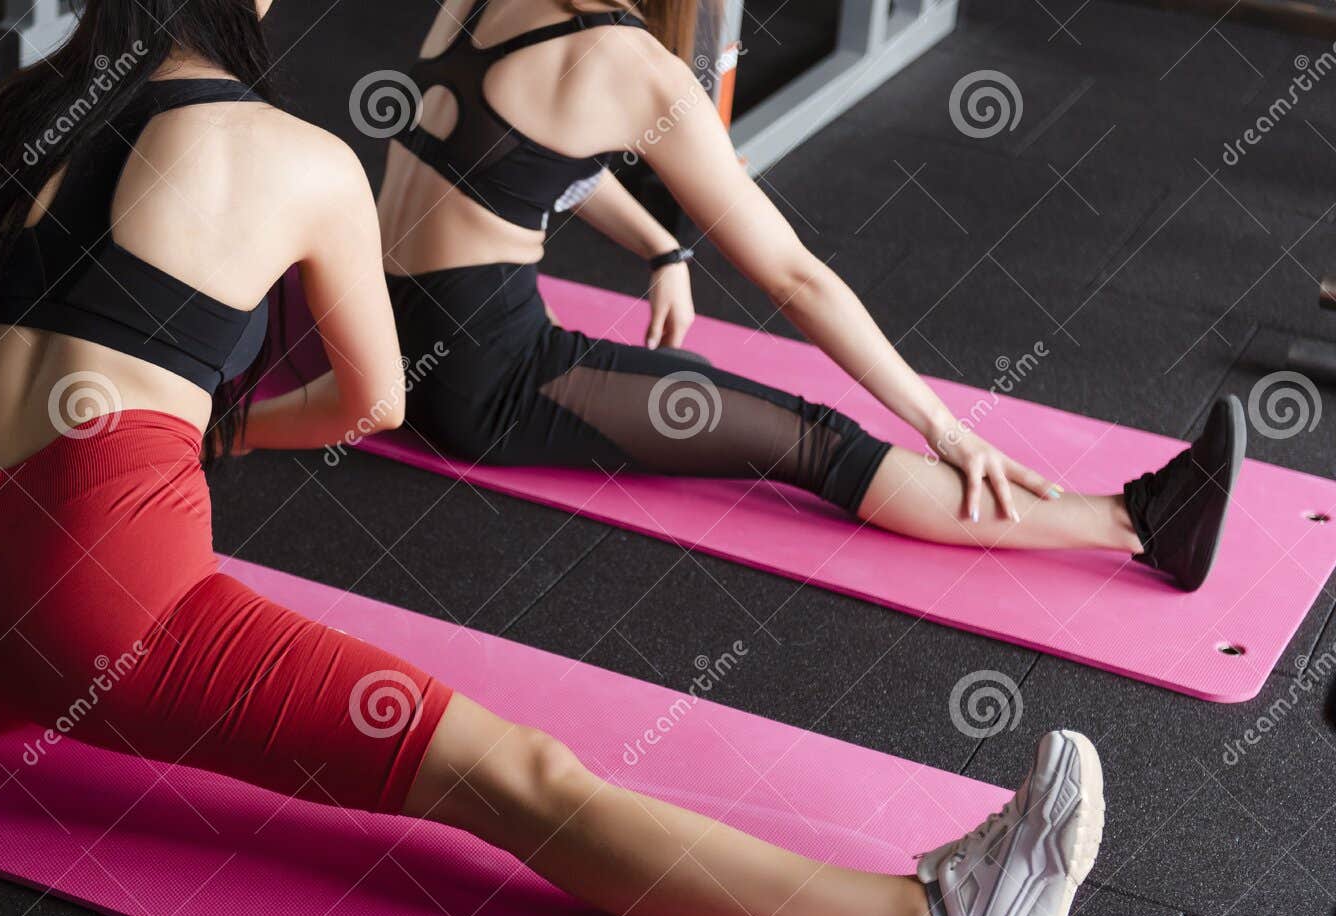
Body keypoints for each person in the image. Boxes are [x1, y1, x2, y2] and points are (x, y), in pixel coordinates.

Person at [0, 0, 1104, 916]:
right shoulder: (299, 159)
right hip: (96, 610)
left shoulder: (33, 114)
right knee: (513, 775)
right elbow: (370, 401)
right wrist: (229, 430)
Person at [336, 0, 1243, 593]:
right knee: (814, 438)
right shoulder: (636, 69)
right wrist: (946, 427)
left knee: (684, 380)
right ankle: (1141, 524)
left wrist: (661, 247)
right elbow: (794, 276)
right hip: (481, 388)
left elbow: (506, 162)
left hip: (383, 329)